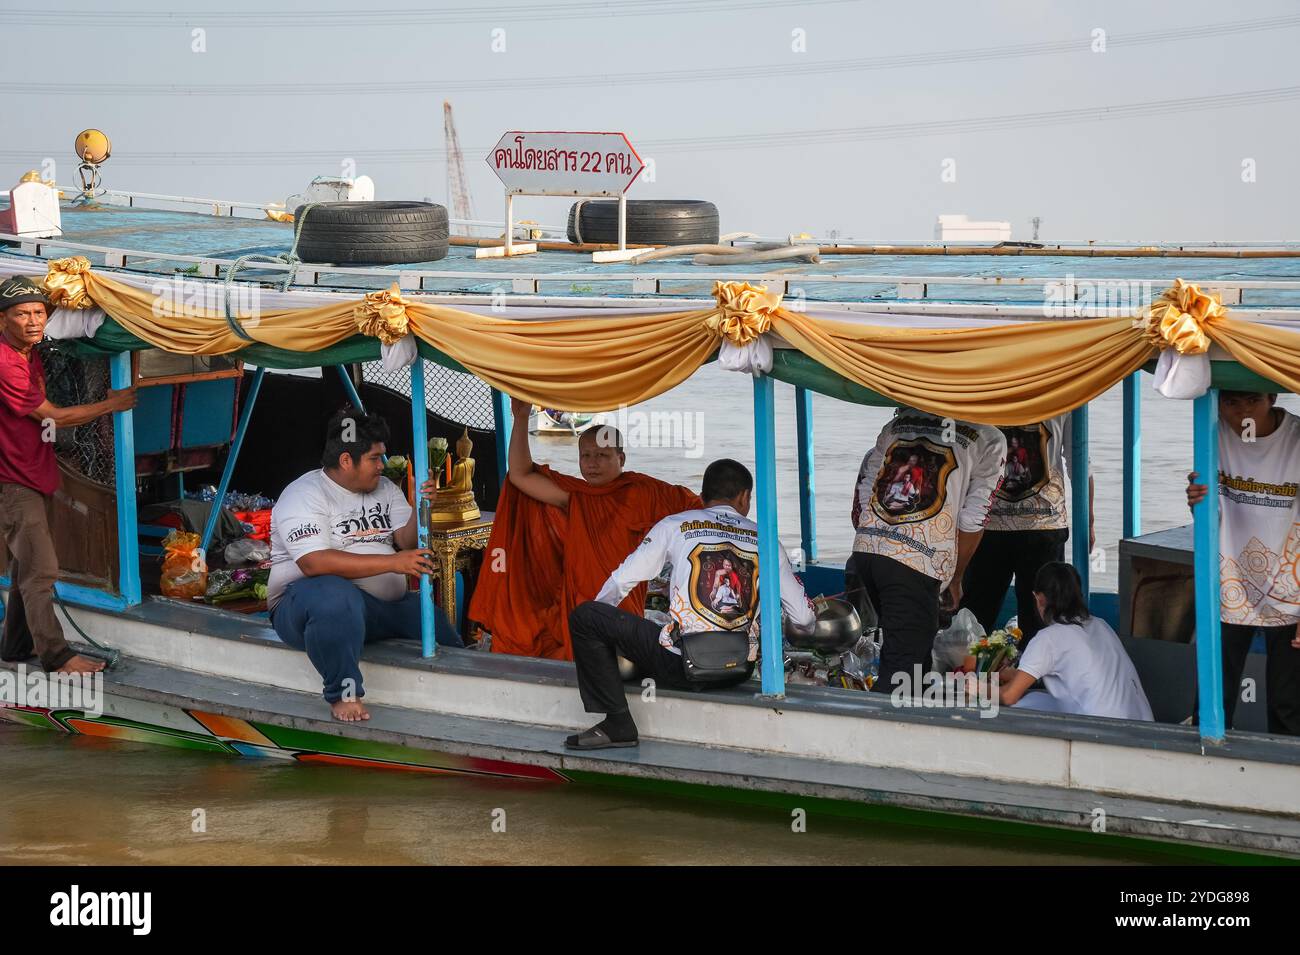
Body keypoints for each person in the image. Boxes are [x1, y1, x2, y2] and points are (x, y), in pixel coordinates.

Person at [565, 458, 816, 749]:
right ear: (745, 497)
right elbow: (803, 617)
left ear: (701, 496)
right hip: (739, 669)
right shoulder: (766, 539)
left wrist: (603, 624)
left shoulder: (675, 525)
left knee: (586, 616)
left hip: (682, 666)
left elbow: (622, 581)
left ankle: (618, 723)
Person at [469, 396, 700, 660]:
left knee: (618, 660)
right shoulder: (577, 496)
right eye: (586, 456)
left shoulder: (642, 492)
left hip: (622, 608)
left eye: (602, 455)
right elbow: (520, 475)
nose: (592, 463)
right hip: (578, 606)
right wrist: (521, 419)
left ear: (621, 458)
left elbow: (699, 509)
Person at [268, 408, 462, 722]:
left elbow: (407, 540)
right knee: (334, 596)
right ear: (346, 460)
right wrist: (393, 562)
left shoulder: (384, 488)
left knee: (433, 622)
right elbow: (314, 563)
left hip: (373, 608)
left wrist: (422, 506)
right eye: (374, 458)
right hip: (303, 607)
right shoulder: (304, 495)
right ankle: (344, 693)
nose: (381, 466)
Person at [0, 275, 136, 674]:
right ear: (2, 320)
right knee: (41, 569)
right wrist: (112, 404)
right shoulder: (7, 363)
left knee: (26, 567)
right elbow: (54, 417)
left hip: (34, 472)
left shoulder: (30, 350)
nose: (33, 321)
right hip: (13, 483)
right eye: (21, 314)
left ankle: (14, 646)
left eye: (39, 312)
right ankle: (57, 657)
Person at [848, 408, 1006, 694]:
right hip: (915, 562)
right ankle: (884, 731)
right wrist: (956, 578)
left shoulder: (897, 424)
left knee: (912, 653)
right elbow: (972, 519)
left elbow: (864, 492)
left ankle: (913, 721)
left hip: (868, 550)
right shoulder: (990, 437)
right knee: (901, 671)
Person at [1186, 390, 1300, 735]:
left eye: (1251, 401)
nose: (1241, 413)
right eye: (1230, 402)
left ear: (1272, 397)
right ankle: (1204, 767)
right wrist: (1197, 502)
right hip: (1231, 580)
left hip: (1291, 587)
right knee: (1213, 694)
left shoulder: (1296, 440)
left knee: (1287, 703)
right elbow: (1210, 506)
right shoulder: (1213, 433)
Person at [961, 415, 1095, 646]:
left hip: (992, 523)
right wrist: (1089, 519)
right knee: (1040, 618)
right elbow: (1080, 461)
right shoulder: (1064, 389)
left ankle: (972, 673)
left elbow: (964, 456)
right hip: (1041, 524)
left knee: (976, 615)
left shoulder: (981, 385)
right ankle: (1034, 676)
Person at [996, 562, 1153, 721]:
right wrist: (1008, 674)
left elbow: (1009, 696)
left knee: (1018, 705)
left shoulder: (1048, 639)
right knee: (1035, 698)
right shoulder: (1101, 625)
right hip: (1143, 726)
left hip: (1103, 733)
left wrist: (976, 689)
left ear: (1039, 599)